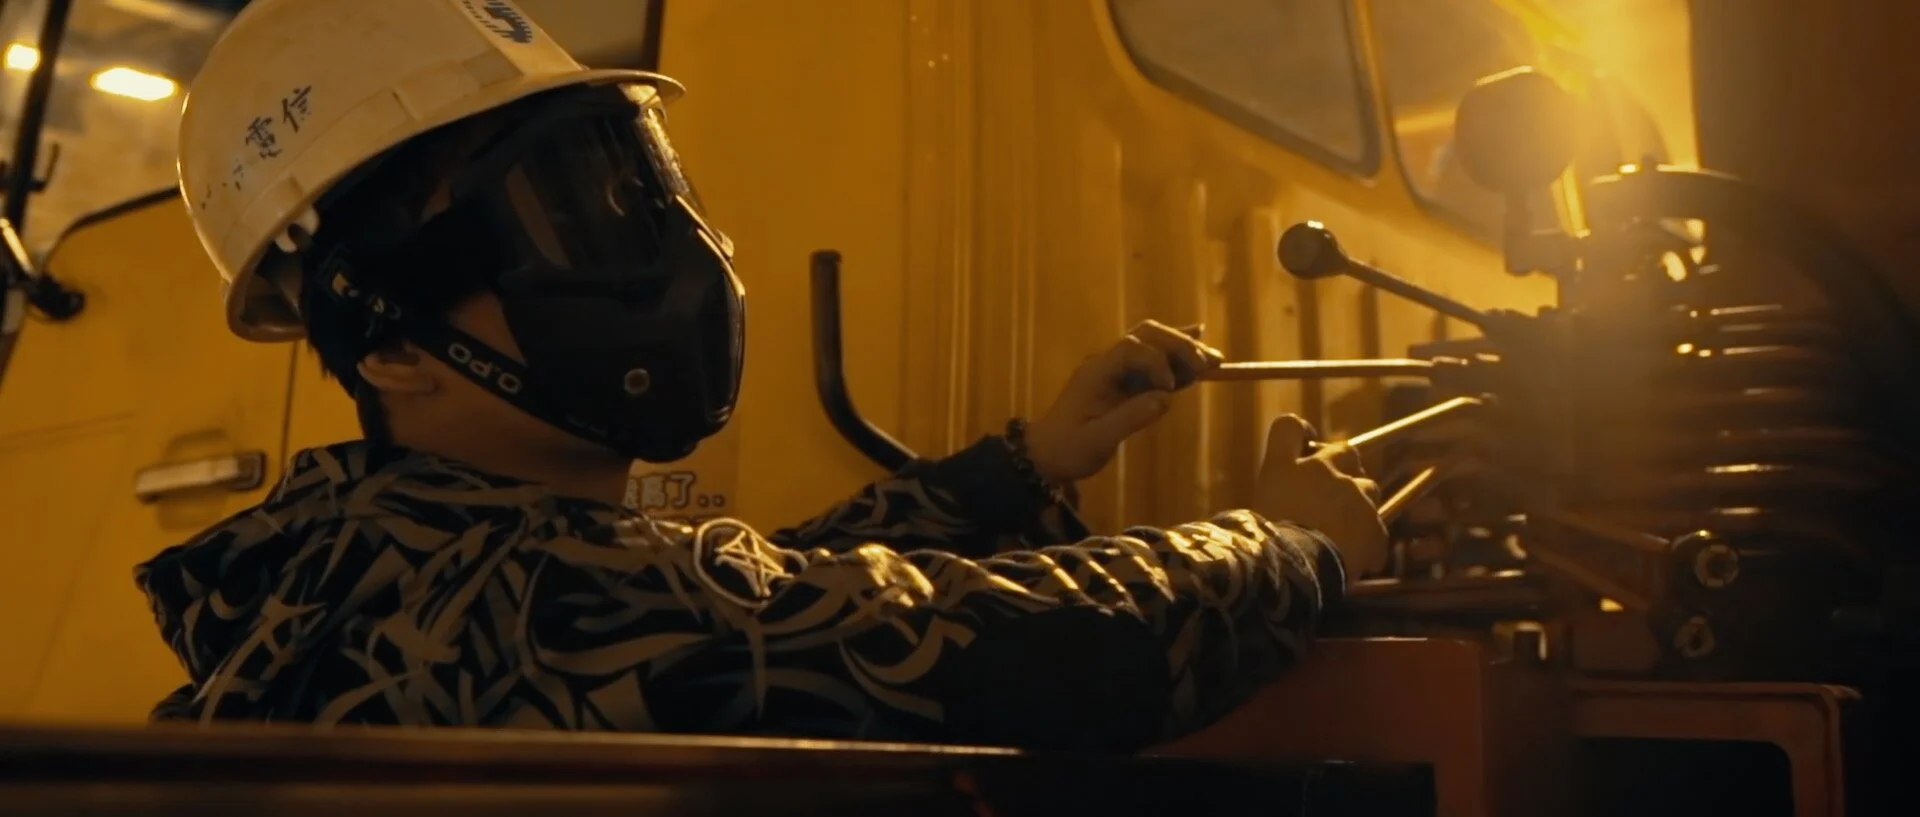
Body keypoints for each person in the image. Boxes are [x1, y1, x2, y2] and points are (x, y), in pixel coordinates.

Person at [142, 0, 1387, 751]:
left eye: (634, 194)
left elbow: (759, 601)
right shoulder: (550, 603)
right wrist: (1297, 545)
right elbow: (1051, 652)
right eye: (561, 223)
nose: (660, 260)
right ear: (391, 341)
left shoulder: (361, 568)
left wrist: (1017, 469)